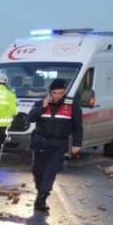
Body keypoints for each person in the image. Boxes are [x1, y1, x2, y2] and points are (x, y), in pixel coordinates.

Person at [27, 78, 82, 213]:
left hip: (59, 144)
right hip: (40, 142)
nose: (57, 96)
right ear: (50, 92)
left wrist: (76, 144)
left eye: (61, 93)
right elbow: (30, 118)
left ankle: (42, 198)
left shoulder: (72, 105)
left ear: (65, 92)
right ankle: (41, 191)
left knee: (51, 171)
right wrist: (43, 106)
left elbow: (78, 126)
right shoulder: (41, 103)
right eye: (55, 93)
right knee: (37, 171)